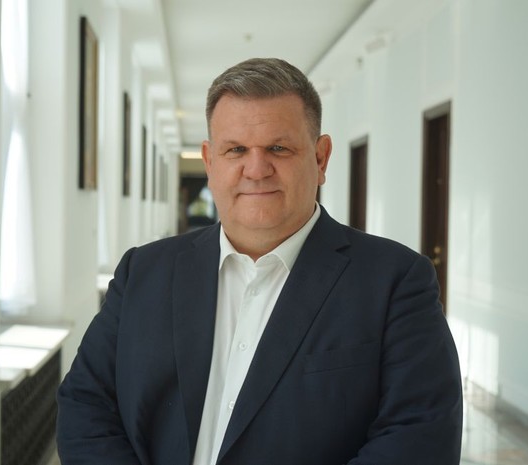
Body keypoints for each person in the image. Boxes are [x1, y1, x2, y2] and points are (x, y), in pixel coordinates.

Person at [56, 57, 463, 465]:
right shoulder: (143, 273)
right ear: (210, 161)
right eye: (236, 149)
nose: (256, 169)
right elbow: (86, 403)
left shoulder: (395, 282)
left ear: (320, 158)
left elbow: (418, 437)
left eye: (278, 148)